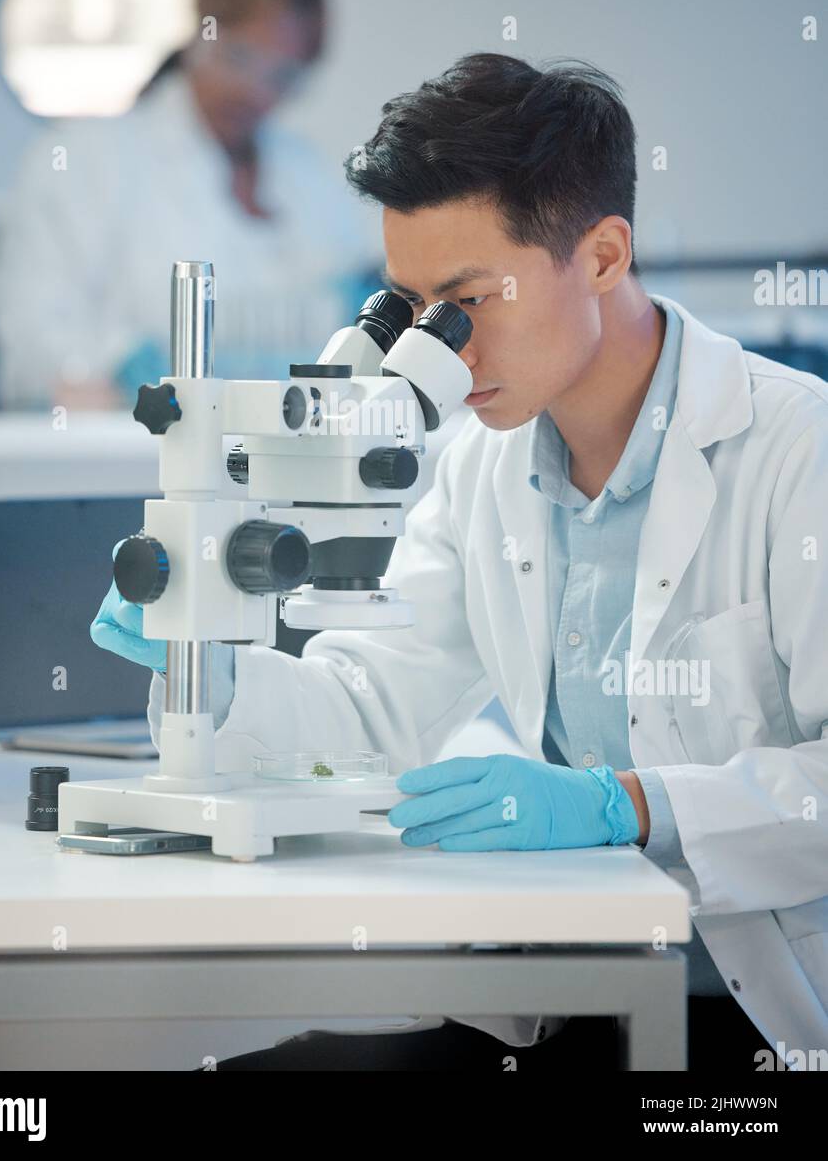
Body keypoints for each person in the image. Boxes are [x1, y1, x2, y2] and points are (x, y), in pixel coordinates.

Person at [91, 54, 828, 1070]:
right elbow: (374, 707)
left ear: (604, 255)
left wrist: (631, 803)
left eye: (470, 301)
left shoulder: (799, 452)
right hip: (581, 989)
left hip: (762, 1016)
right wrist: (207, 669)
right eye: (411, 308)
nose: (444, 350)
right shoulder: (484, 462)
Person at [0, 0, 377, 409]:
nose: (255, 91)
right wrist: (114, 374)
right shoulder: (86, 158)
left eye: (283, 76)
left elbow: (355, 306)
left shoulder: (306, 172)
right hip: (125, 455)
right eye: (240, 57)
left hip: (286, 447)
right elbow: (28, 336)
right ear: (199, 30)